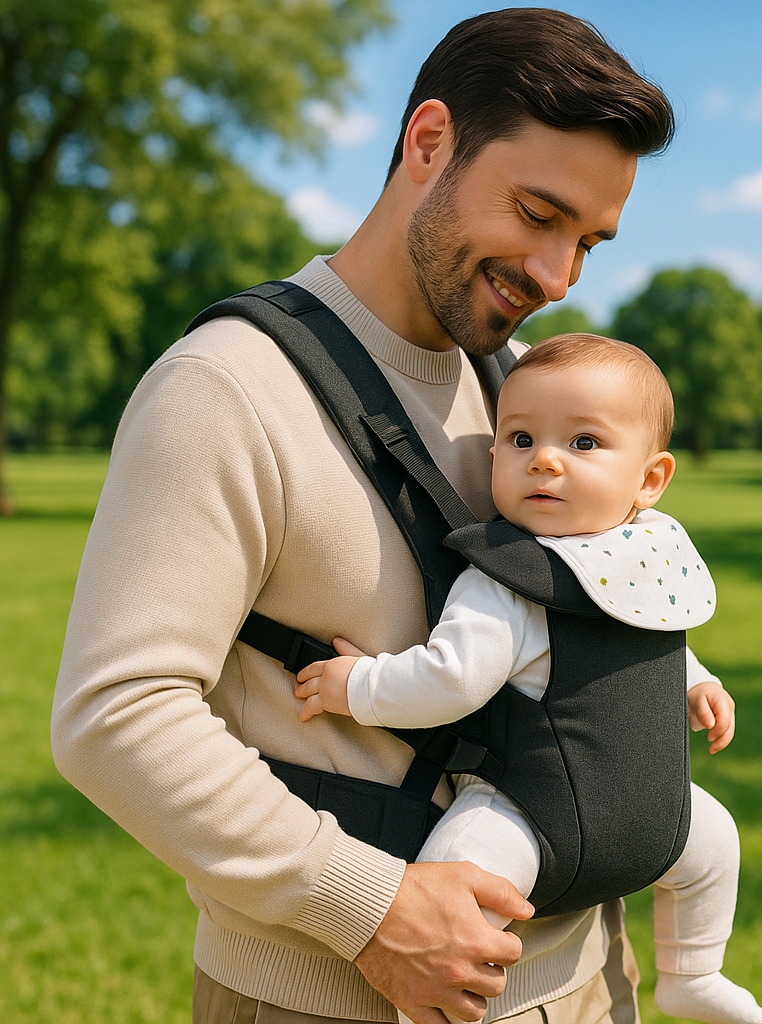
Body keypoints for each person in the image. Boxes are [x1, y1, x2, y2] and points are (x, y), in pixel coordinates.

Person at [52, 8, 684, 1024]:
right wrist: (370, 907)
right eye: (535, 211)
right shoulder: (226, 388)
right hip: (334, 997)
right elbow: (112, 715)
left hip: (588, 984)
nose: (557, 277)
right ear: (428, 141)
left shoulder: (526, 392)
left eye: (587, 242)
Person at [294, 334, 762, 1024]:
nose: (544, 459)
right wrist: (357, 685)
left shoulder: (645, 559)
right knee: (459, 885)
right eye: (519, 439)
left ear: (650, 480)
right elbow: (448, 680)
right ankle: (433, 1008)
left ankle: (694, 973)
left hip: (649, 807)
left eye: (583, 444)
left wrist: (698, 683)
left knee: (716, 841)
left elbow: (653, 639)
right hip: (526, 813)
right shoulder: (509, 580)